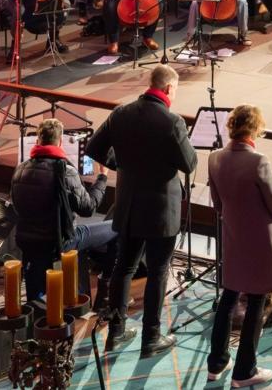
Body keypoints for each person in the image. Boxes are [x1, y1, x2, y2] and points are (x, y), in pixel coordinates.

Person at [88, 64, 199, 355]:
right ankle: (151, 337)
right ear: (168, 89)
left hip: (128, 203)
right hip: (161, 209)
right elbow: (189, 164)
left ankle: (117, 331)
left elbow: (95, 149)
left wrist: (120, 164)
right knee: (158, 271)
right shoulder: (172, 121)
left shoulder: (121, 113)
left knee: (123, 267)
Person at [206, 106, 272, 387]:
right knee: (256, 301)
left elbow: (217, 203)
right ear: (255, 129)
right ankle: (245, 370)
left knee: (228, 297)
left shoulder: (215, 158)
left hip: (233, 235)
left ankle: (216, 363)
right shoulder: (258, 160)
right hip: (260, 239)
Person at [10, 118, 115, 306]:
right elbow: (89, 208)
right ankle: (105, 296)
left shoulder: (20, 170)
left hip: (28, 242)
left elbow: (17, 206)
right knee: (117, 227)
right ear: (59, 142)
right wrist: (102, 177)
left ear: (37, 141)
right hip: (60, 242)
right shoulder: (65, 171)